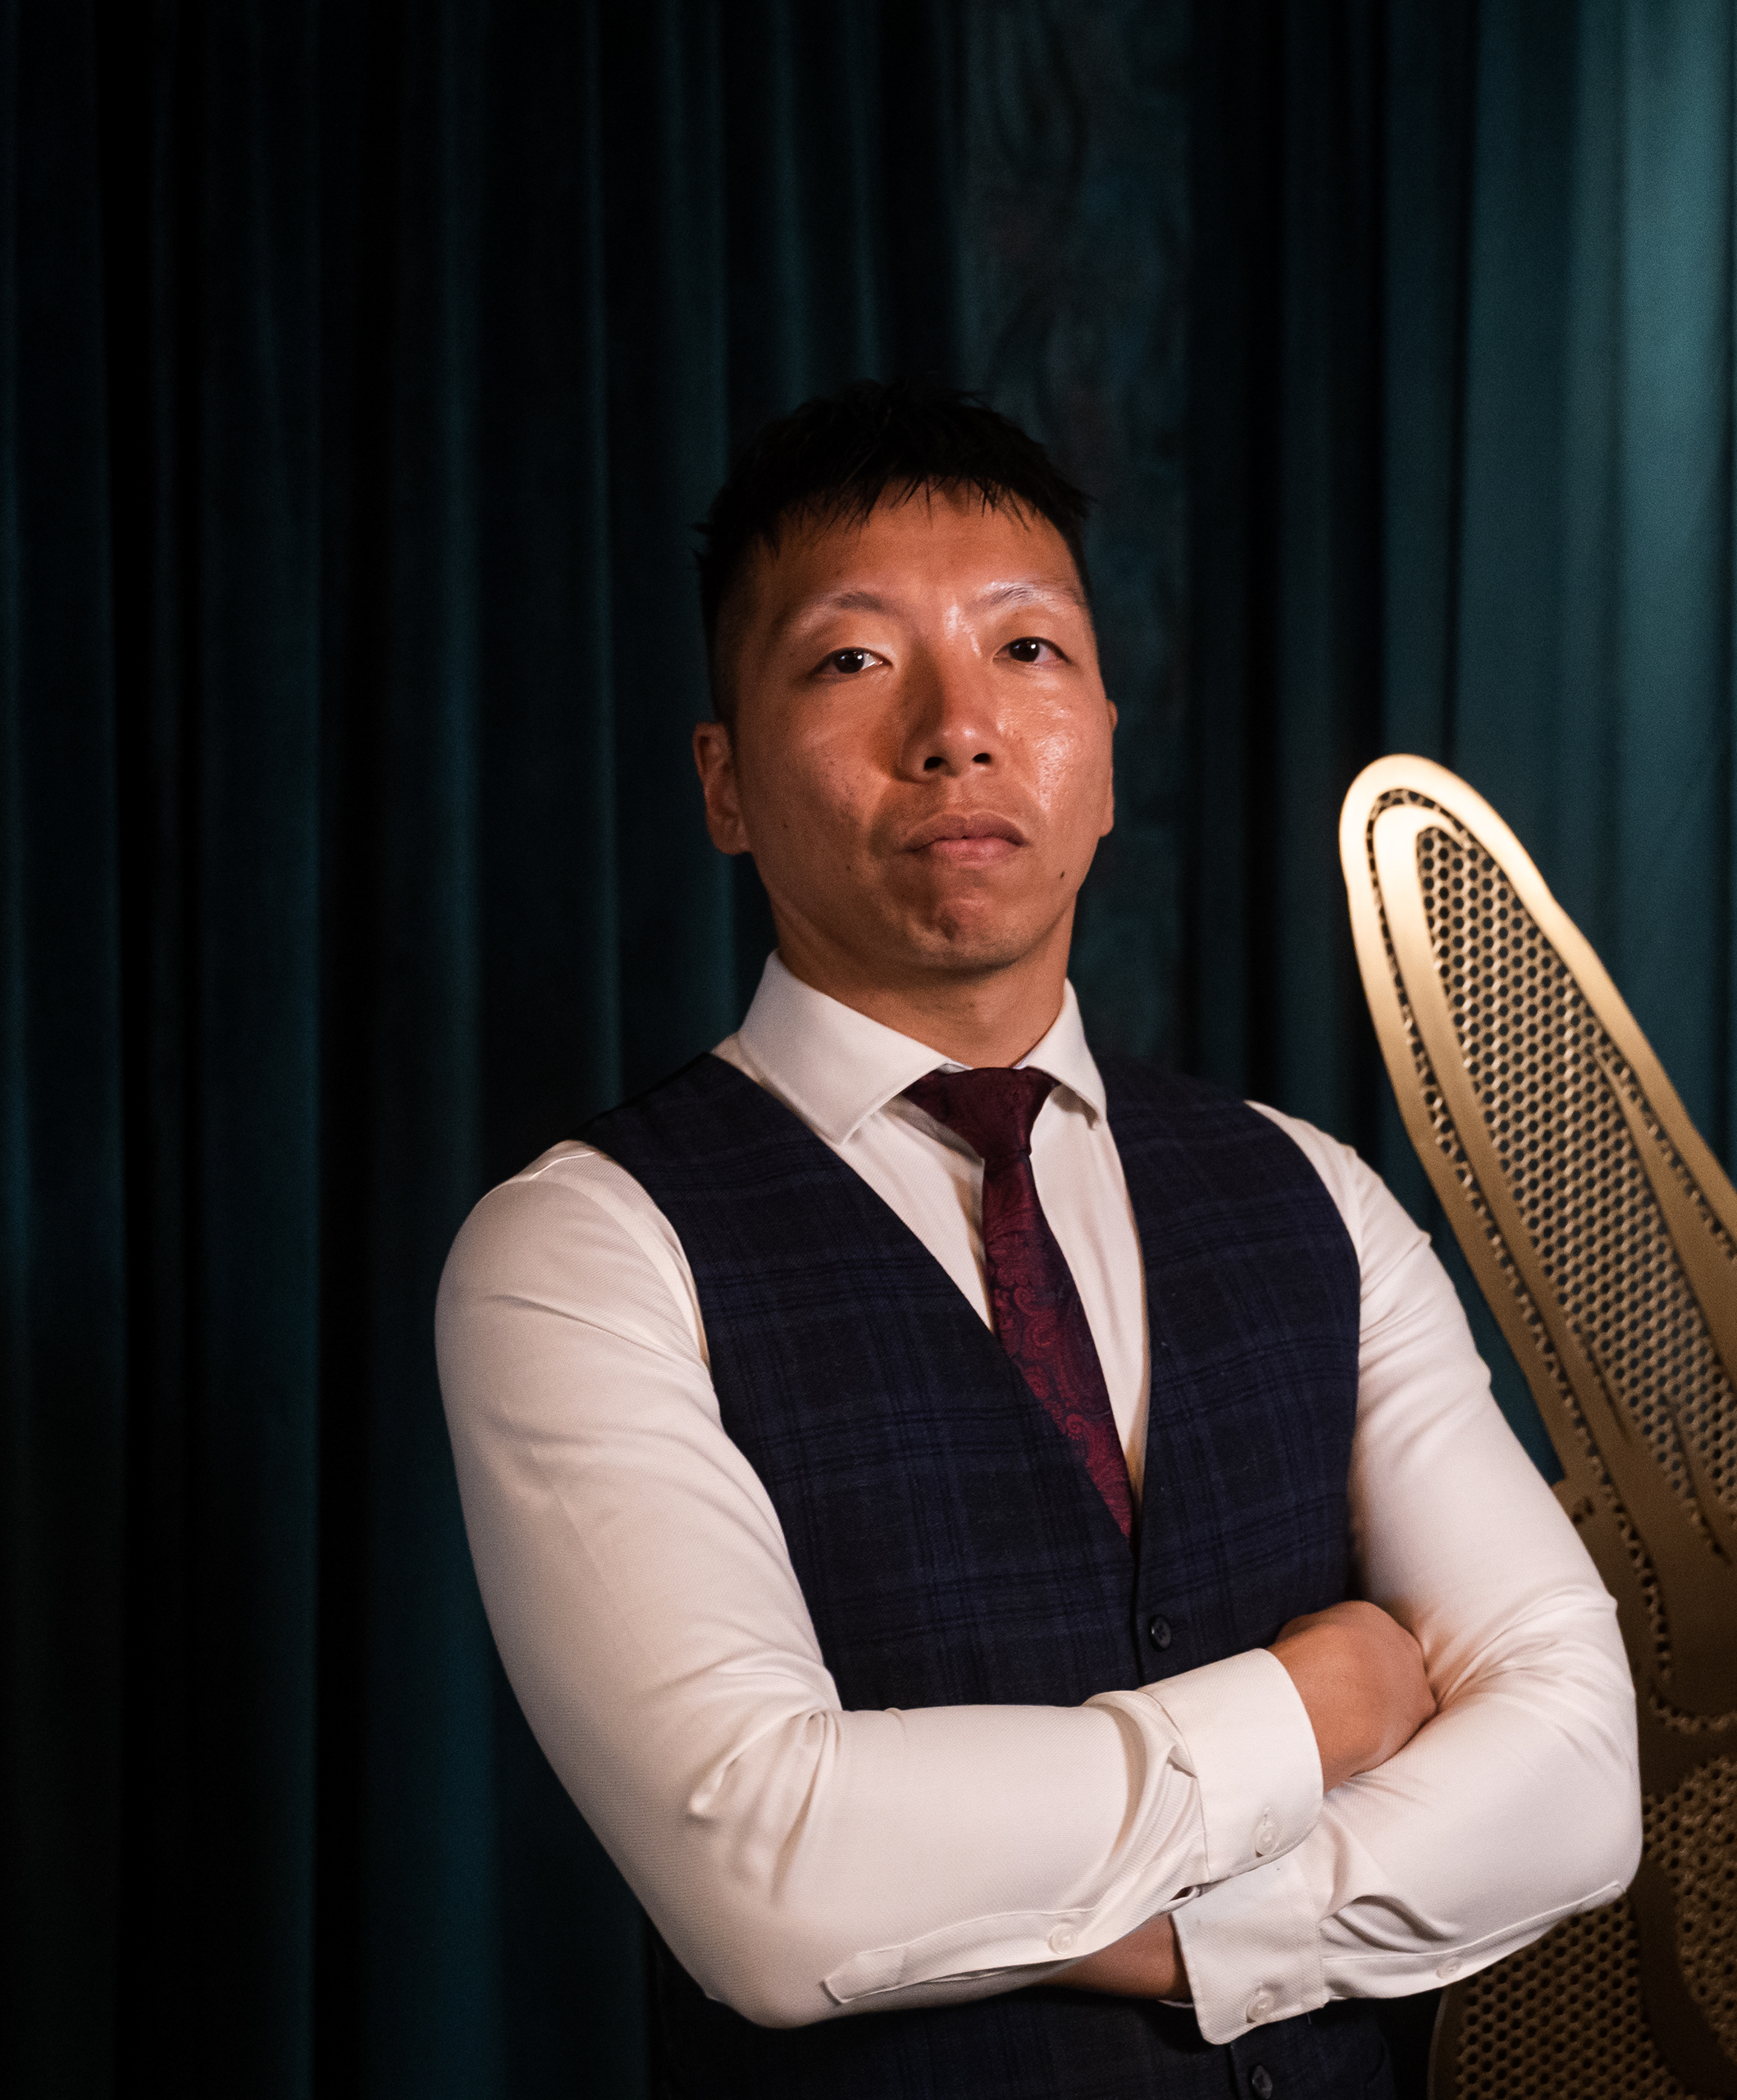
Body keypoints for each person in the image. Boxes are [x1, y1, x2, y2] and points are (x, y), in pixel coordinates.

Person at [435, 379, 1637, 2098]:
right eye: (855, 660)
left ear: (1107, 756)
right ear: (723, 782)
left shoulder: (1313, 1192)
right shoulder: (583, 1251)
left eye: (1027, 650)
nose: (958, 728)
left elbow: (1579, 1770)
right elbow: (769, 1873)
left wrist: (1206, 1940)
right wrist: (1312, 1711)